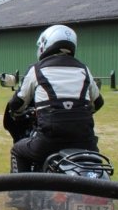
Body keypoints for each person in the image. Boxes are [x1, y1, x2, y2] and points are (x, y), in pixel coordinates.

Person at [7, 24, 104, 177]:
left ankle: (21, 191)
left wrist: (17, 111)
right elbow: (98, 102)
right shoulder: (83, 69)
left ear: (45, 44)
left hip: (49, 140)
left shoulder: (37, 69)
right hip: (85, 140)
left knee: (17, 150)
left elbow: (18, 102)